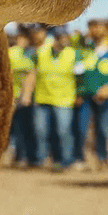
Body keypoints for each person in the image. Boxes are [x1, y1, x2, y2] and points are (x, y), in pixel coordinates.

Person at [26, 26, 79, 172]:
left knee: (63, 132)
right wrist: (28, 95)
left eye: (64, 37)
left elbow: (80, 76)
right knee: (40, 131)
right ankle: (41, 159)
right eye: (59, 37)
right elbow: (32, 73)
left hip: (64, 100)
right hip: (42, 98)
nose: (62, 40)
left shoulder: (73, 54)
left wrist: (79, 95)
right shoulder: (40, 53)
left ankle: (65, 161)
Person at [73, 19, 108, 169]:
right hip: (86, 94)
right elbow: (78, 71)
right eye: (91, 27)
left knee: (105, 128)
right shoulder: (85, 49)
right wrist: (78, 92)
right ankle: (82, 159)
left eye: (98, 26)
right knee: (81, 128)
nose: (95, 30)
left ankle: (105, 159)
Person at [8, 28, 37, 168]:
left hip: (21, 97)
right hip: (14, 97)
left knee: (20, 129)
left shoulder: (28, 54)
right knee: (19, 129)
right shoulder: (14, 53)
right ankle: (20, 157)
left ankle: (21, 157)